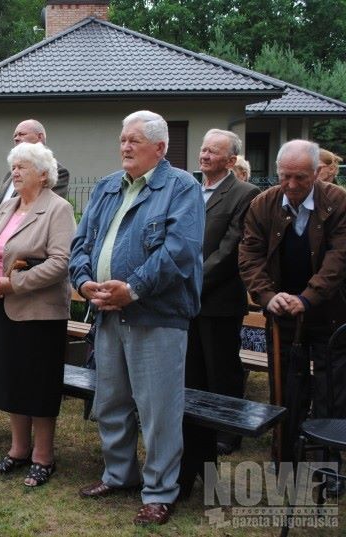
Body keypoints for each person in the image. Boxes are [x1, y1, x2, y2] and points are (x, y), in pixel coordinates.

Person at [69, 110, 204, 526]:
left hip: (156, 315)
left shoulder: (182, 188)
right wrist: (85, 280)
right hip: (108, 313)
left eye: (134, 140)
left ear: (160, 148)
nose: (125, 146)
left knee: (159, 409)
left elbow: (179, 252)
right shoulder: (109, 186)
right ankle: (119, 474)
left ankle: (161, 492)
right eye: (123, 139)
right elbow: (82, 241)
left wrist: (132, 289)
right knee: (110, 401)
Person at [239, 139, 346, 495]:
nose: (292, 185)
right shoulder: (263, 204)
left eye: (300, 178)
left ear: (317, 173)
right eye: (285, 177)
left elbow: (339, 259)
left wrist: (308, 297)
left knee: (332, 391)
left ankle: (329, 467)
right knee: (286, 388)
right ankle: (285, 460)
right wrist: (268, 296)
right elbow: (250, 256)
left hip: (329, 314)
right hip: (281, 314)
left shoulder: (338, 202)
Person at [0, 142, 75, 487]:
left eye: (23, 167)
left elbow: (61, 264)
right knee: (12, 381)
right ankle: (18, 450)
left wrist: (13, 285)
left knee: (38, 384)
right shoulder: (7, 208)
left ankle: (43, 457)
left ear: (44, 174)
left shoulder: (58, 209)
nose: (15, 172)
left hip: (39, 313)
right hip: (0, 306)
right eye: (13, 166)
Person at [178, 130, 260, 496]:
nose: (205, 155)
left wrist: (192, 280)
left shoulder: (244, 194)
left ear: (231, 160)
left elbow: (230, 249)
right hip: (185, 299)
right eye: (203, 149)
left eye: (214, 151)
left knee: (220, 368)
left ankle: (228, 432)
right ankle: (197, 432)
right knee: (191, 368)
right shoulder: (191, 190)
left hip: (218, 301)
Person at [0, 119, 70, 236]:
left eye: (22, 134)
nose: (16, 138)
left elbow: (42, 211)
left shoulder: (57, 172)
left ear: (40, 137)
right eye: (15, 135)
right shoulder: (11, 173)